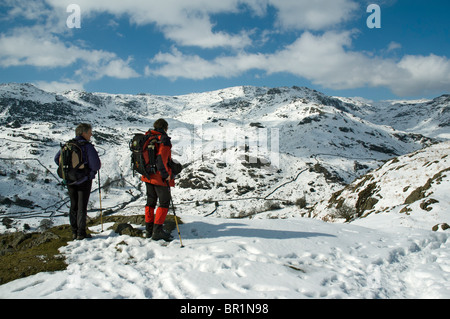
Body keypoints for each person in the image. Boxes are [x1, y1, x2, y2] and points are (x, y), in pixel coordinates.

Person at [55, 123, 101, 240]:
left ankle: (74, 231)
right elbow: (96, 165)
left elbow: (57, 159)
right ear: (83, 133)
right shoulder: (87, 146)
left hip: (70, 180)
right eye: (90, 132)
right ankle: (81, 233)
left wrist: (70, 170)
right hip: (84, 180)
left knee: (73, 205)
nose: (91, 135)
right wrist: (90, 173)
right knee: (82, 206)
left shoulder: (68, 144)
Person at [142, 118, 175, 241]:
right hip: (158, 177)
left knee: (150, 202)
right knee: (164, 203)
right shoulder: (163, 140)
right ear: (165, 128)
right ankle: (158, 231)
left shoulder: (148, 136)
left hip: (147, 175)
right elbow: (161, 158)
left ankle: (148, 229)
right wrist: (165, 174)